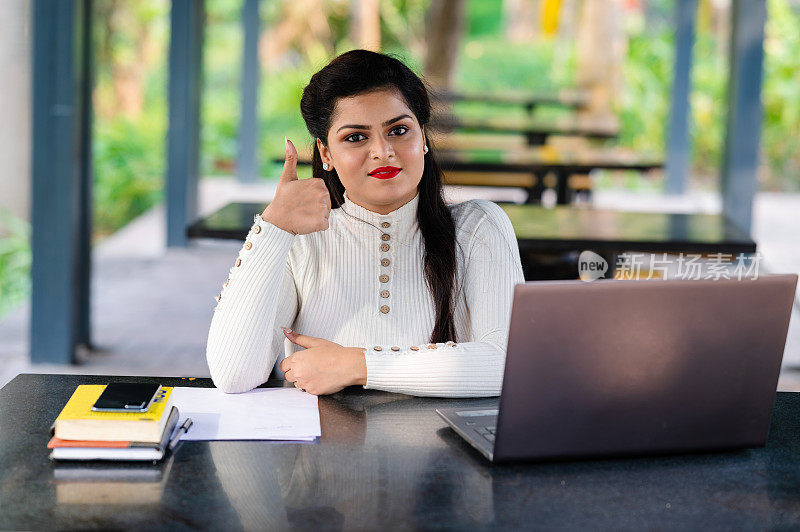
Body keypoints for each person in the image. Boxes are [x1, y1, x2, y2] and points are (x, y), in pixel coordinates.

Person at [205, 49, 524, 397]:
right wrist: (273, 227)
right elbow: (233, 374)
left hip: (450, 449)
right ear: (326, 153)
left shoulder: (478, 227)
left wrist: (355, 365)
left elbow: (509, 364)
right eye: (355, 137)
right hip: (325, 449)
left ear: (423, 139)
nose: (382, 151)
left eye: (399, 130)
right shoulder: (299, 242)